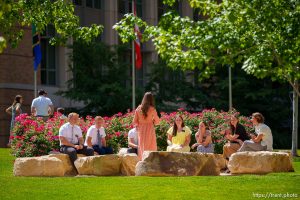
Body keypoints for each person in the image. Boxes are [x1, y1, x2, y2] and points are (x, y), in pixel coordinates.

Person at [133, 92, 160, 160]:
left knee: (142, 145)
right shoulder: (152, 109)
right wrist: (153, 121)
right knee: (151, 145)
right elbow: (157, 122)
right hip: (150, 128)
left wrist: (138, 126)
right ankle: (151, 161)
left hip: (141, 129)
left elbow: (134, 122)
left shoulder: (138, 108)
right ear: (151, 99)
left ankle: (142, 160)